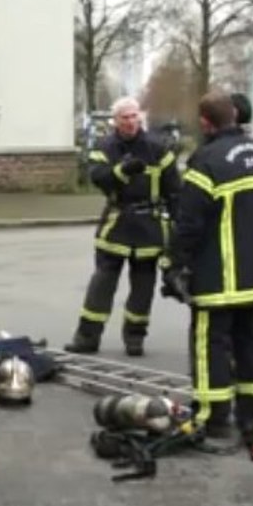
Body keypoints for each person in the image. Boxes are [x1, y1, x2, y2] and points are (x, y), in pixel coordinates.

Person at [165, 88, 253, 449]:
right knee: (251, 343)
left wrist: (174, 264)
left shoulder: (206, 161)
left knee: (211, 345)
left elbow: (189, 223)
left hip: (217, 277)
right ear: (234, 115)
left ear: (205, 122)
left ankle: (214, 419)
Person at [64, 96, 181, 357]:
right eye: (124, 117)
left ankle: (135, 338)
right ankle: (87, 337)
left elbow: (174, 190)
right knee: (102, 284)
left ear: (140, 117)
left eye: (134, 116)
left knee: (143, 287)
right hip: (117, 221)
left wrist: (178, 227)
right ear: (115, 121)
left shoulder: (158, 148)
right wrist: (121, 171)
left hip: (149, 225)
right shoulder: (105, 146)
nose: (130, 122)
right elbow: (97, 176)